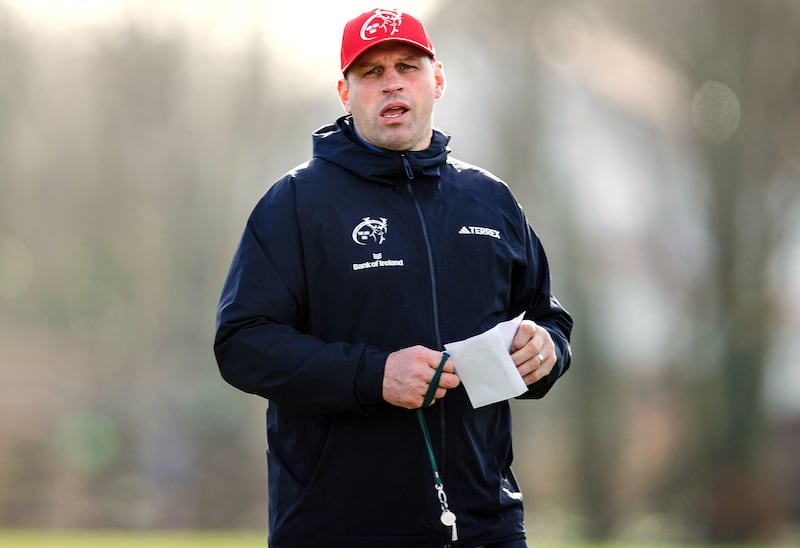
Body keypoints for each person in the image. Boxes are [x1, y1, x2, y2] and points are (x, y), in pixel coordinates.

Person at [214, 7, 573, 548]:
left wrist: (548, 350)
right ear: (344, 91)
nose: (391, 83)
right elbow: (242, 343)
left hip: (484, 527)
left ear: (438, 80)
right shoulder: (294, 205)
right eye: (371, 72)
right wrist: (373, 376)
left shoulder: (491, 201)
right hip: (337, 529)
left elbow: (545, 318)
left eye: (407, 65)